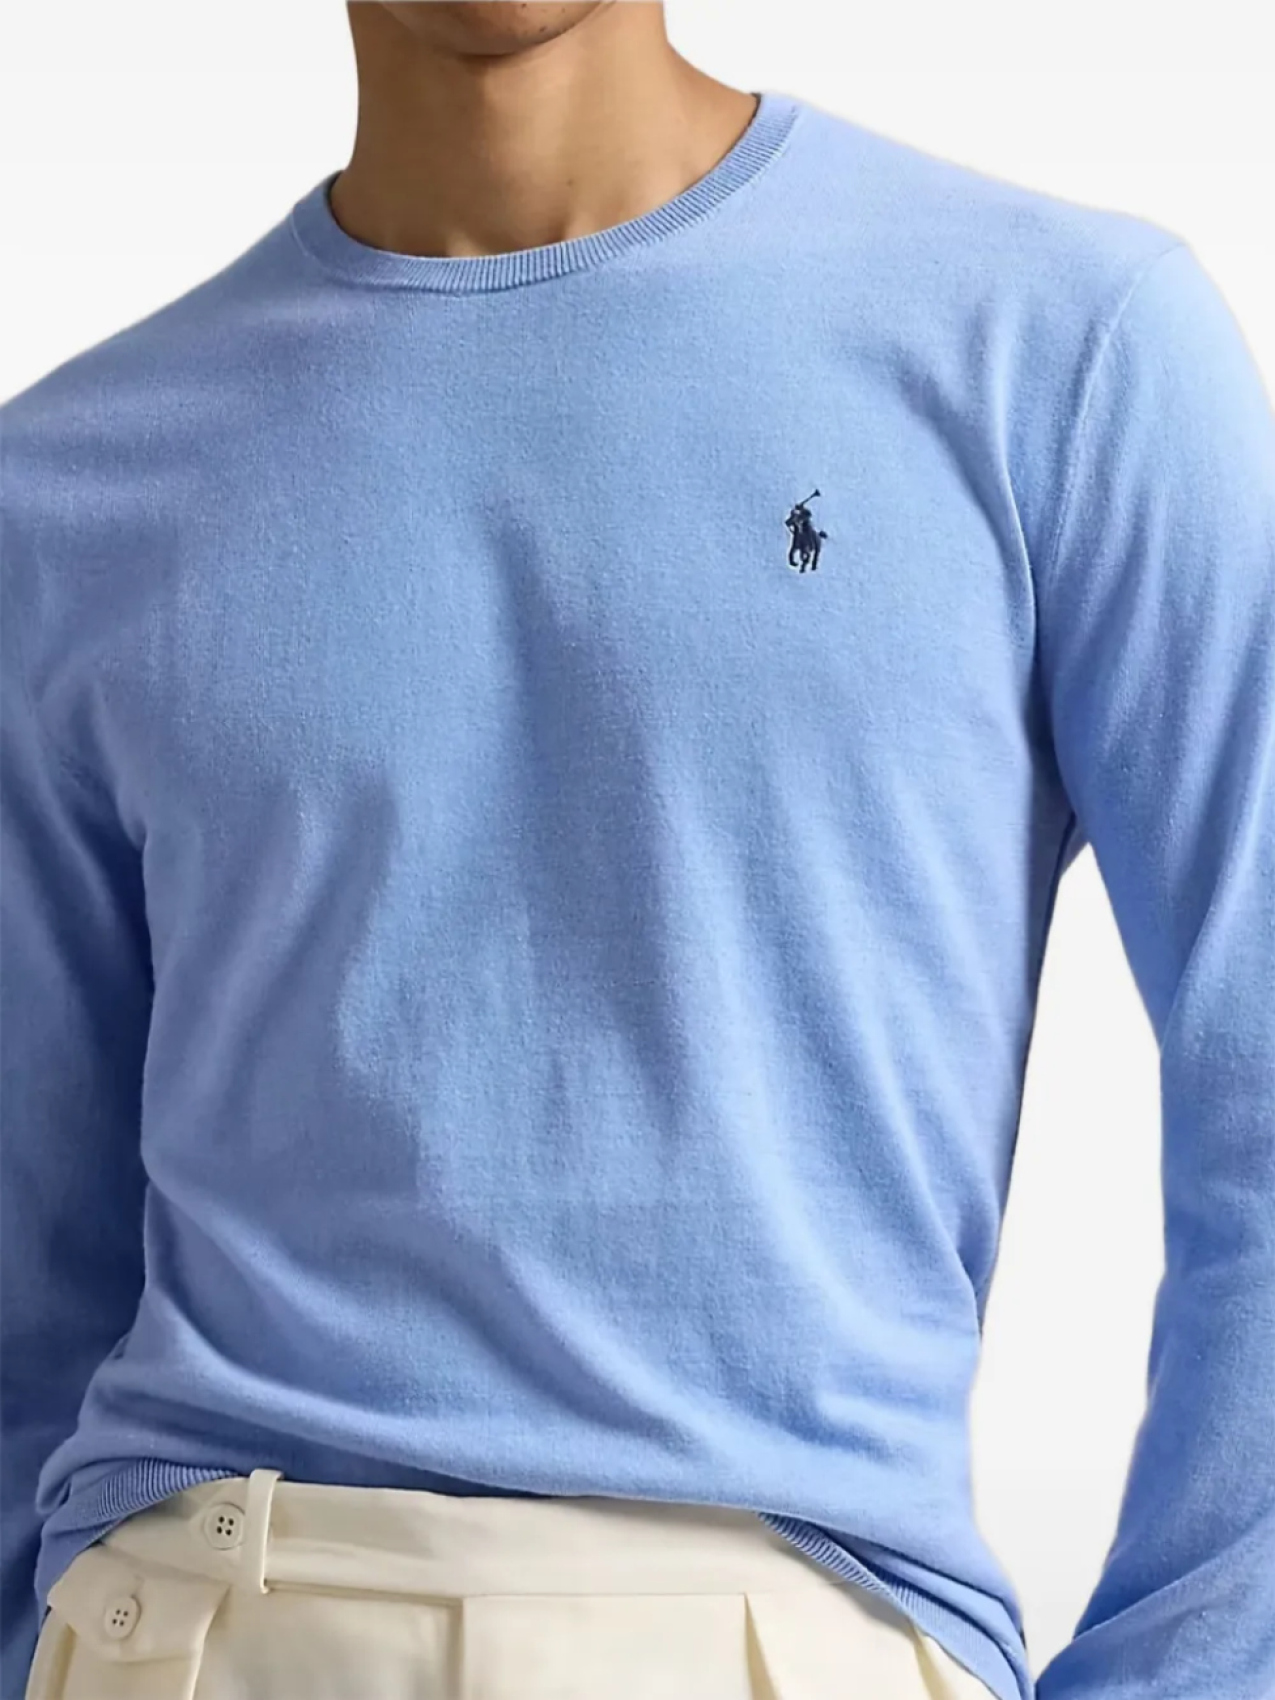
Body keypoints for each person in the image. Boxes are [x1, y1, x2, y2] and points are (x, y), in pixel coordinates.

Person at [2, 4, 1272, 1698]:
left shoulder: (1062, 351)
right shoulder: (62, 496)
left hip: (788, 1620)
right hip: (187, 1618)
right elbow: (28, 1272)